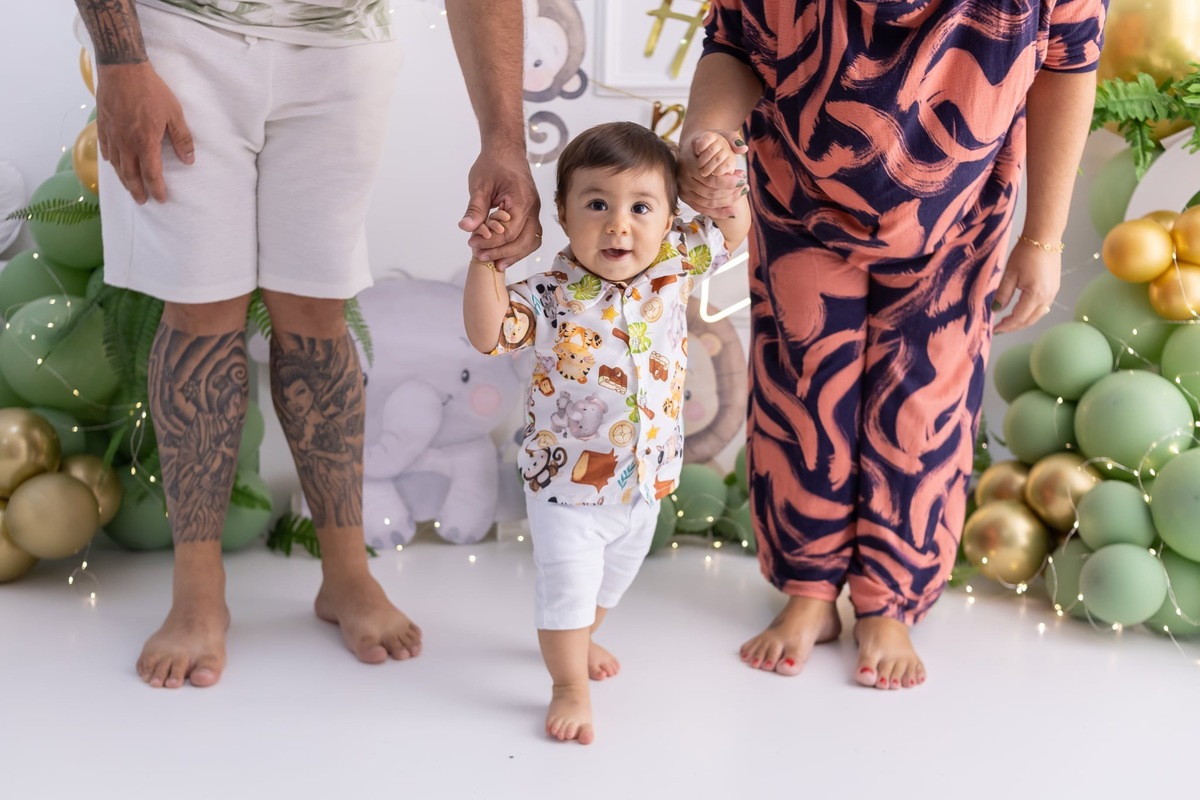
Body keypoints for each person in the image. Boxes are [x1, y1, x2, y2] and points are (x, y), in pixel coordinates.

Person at [74, 0, 541, 689]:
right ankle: (198, 589)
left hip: (342, 43)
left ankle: (347, 576)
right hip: (176, 30)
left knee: (318, 306)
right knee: (201, 307)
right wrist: (119, 58)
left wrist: (504, 135)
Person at [677, 0, 1108, 689]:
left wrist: (1044, 236)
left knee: (925, 402)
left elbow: (1068, 62)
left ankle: (890, 600)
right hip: (799, 186)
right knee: (803, 385)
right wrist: (707, 129)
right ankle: (809, 589)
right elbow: (735, 41)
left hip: (959, 208)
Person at [464, 121, 750, 743]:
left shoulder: (672, 266)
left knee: (610, 581)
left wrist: (724, 170)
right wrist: (487, 262)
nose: (619, 224)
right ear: (563, 214)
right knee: (568, 590)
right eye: (597, 204)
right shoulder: (550, 295)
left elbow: (733, 229)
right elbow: (489, 333)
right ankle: (567, 683)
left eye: (641, 207)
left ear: (670, 216)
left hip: (645, 483)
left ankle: (581, 638)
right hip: (565, 488)